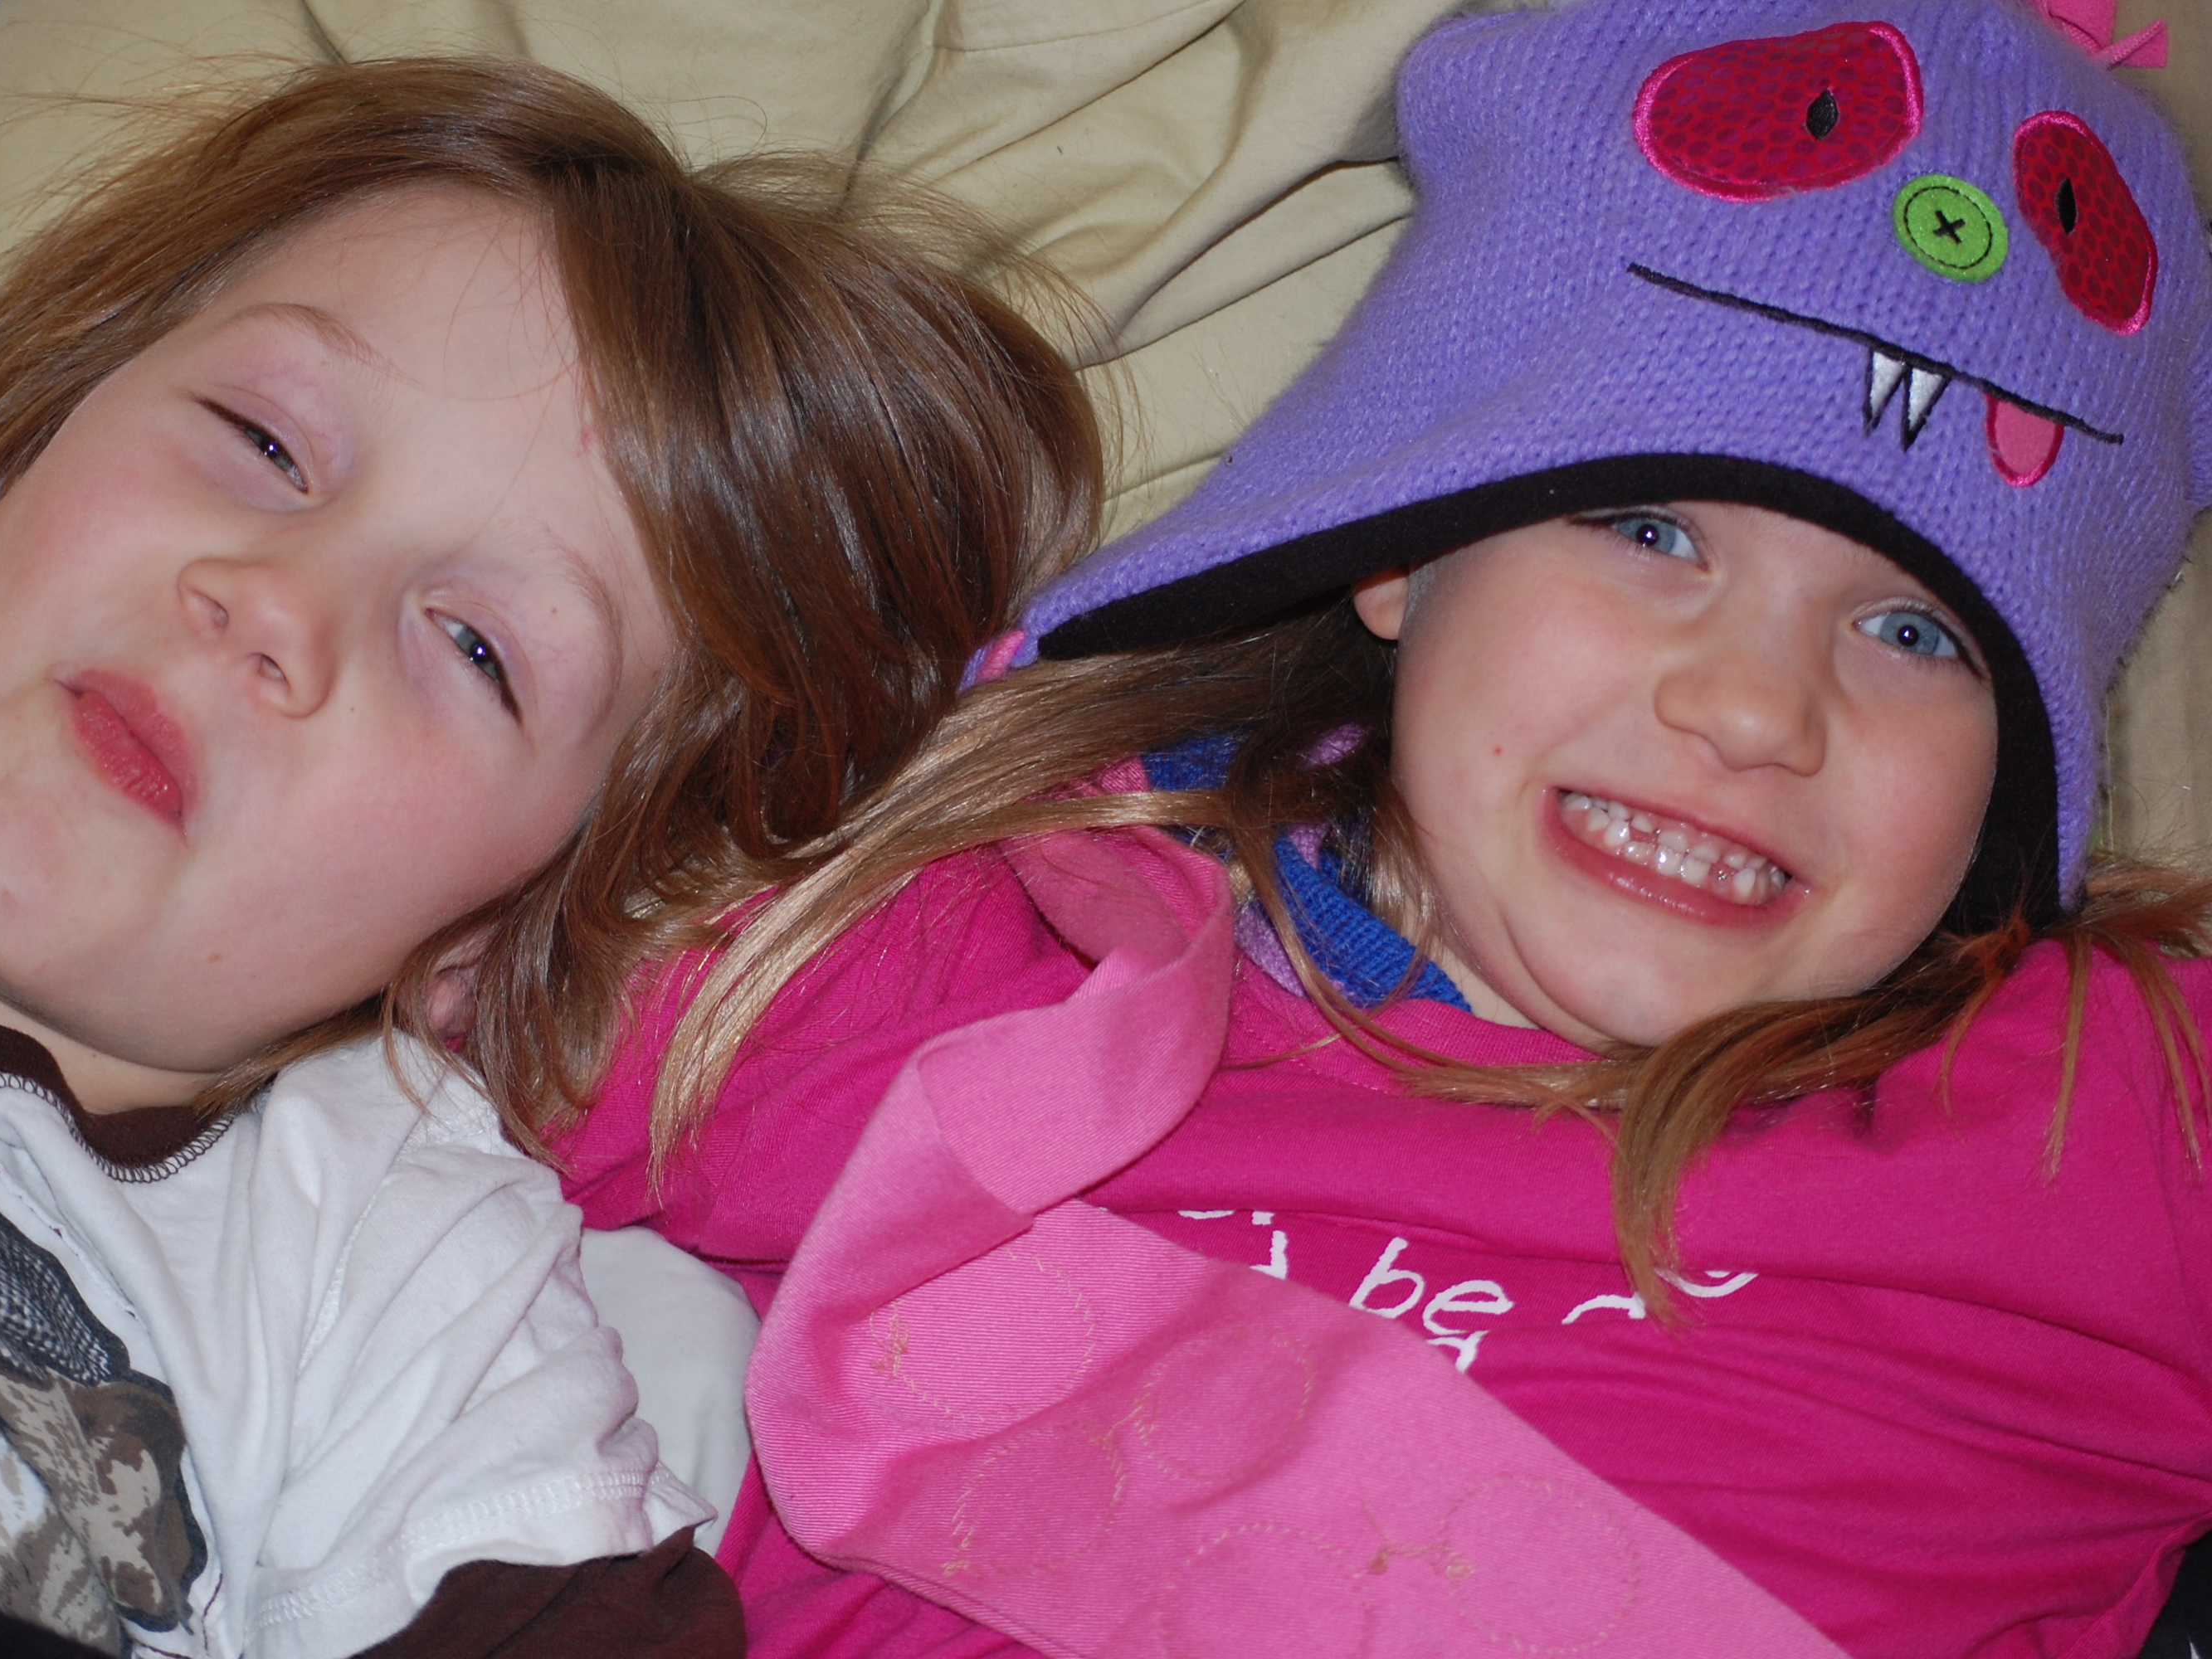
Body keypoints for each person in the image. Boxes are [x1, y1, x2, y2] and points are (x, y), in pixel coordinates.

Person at [557, 0, 2212, 1654]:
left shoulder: (2113, 1109)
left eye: (1916, 632)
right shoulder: (954, 954)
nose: (1755, 710)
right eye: (1649, 530)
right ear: (1401, 545)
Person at [0, 55, 1099, 1659]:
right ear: (4, 466)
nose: (276, 603)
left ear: (501, 930)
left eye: (474, 647)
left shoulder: (401, 1282)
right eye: (265, 443)